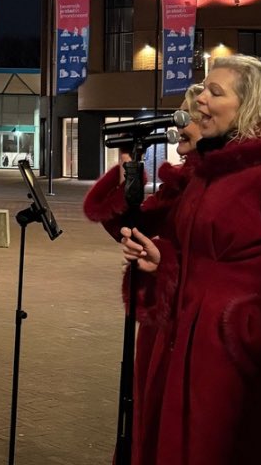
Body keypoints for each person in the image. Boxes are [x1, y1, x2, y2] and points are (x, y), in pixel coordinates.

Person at [120, 56, 261, 465]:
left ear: (250, 105)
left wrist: (255, 336)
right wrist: (162, 262)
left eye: (214, 92)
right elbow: (197, 252)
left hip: (232, 362)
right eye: (204, 88)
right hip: (184, 347)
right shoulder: (209, 171)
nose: (200, 99)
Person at [83, 85, 204, 462]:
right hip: (164, 322)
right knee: (150, 416)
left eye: (187, 117)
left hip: (192, 325)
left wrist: (164, 261)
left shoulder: (215, 184)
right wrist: (126, 182)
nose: (178, 126)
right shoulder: (182, 182)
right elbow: (137, 225)